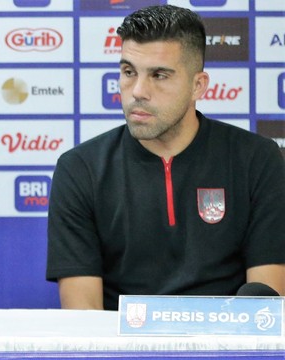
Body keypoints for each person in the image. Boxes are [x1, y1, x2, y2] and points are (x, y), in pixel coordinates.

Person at [46, 5, 285, 311]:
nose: (138, 91)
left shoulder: (257, 160)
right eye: (128, 72)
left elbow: (265, 309)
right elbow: (83, 317)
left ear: (198, 85)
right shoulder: (80, 169)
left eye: (159, 75)